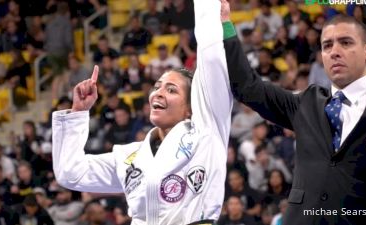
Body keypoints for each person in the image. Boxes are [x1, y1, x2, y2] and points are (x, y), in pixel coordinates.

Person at [52, 0, 234, 224]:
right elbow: (70, 173)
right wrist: (78, 113)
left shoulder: (207, 134)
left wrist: (211, 14)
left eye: (171, 90)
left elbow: (212, 63)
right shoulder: (130, 156)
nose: (158, 93)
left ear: (191, 108)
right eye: (157, 87)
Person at [222, 3, 366, 224]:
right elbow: (247, 87)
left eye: (346, 42)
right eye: (327, 46)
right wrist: (225, 26)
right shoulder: (306, 102)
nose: (335, 52)